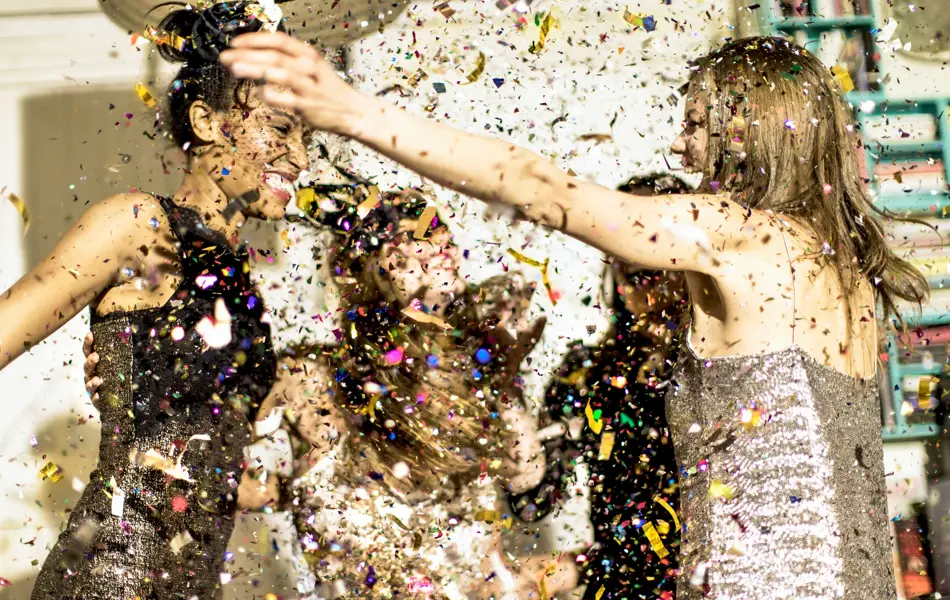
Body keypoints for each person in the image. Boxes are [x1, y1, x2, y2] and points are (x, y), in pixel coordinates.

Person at [221, 33, 929, 598]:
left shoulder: (737, 234)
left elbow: (542, 188)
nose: (678, 146)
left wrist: (353, 112)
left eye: (694, 125)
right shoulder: (849, 268)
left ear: (747, 131)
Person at [0, 4, 310, 598]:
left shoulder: (236, 277)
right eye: (280, 129)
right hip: (113, 580)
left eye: (306, 137)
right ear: (207, 121)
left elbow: (207, 452)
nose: (299, 157)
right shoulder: (142, 223)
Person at [507, 174, 690, 600]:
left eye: (654, 234)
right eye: (623, 233)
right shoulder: (587, 374)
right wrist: (504, 384)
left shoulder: (725, 368)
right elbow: (532, 502)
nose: (637, 246)